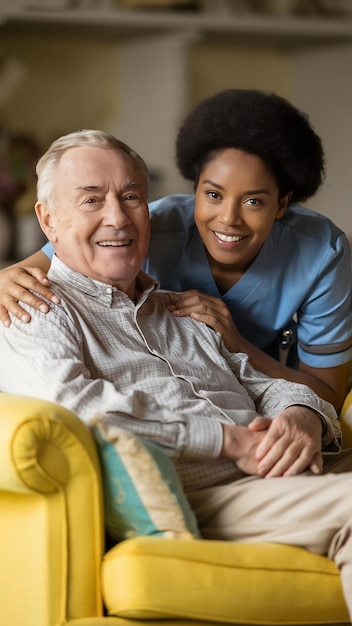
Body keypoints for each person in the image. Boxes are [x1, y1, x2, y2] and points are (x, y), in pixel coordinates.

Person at [0, 129, 352, 618]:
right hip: (216, 490)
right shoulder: (32, 310)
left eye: (131, 197)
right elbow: (78, 410)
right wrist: (230, 442)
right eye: (91, 200)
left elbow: (266, 383)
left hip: (285, 471)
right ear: (48, 220)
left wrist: (300, 417)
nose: (117, 217)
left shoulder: (182, 309)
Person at [0, 91, 351, 412]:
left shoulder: (321, 252)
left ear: (282, 203)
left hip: (263, 397)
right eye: (213, 194)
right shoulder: (146, 223)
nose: (229, 219)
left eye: (254, 200)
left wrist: (236, 342)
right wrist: (5, 279)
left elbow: (327, 395)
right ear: (194, 189)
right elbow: (60, 248)